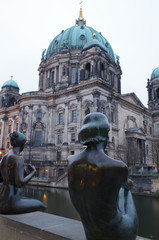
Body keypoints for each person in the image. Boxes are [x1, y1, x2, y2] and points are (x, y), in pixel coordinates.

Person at [68, 112, 138, 240]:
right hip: (118, 234)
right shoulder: (119, 167)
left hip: (91, 234)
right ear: (105, 134)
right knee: (125, 189)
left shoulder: (70, 161)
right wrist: (126, 186)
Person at [0, 131, 46, 214]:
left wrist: (27, 172)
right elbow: (20, 183)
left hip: (2, 200)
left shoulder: (5, 157)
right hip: (12, 203)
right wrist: (33, 172)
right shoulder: (18, 158)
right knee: (42, 206)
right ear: (22, 145)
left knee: (29, 201)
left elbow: (5, 178)